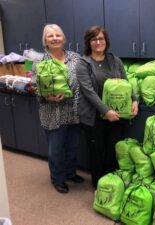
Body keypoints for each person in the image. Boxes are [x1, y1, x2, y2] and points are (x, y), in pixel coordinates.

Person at [76, 25, 139, 188]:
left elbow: (126, 82)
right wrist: (106, 111)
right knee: (97, 153)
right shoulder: (83, 64)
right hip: (94, 117)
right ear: (89, 42)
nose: (98, 42)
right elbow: (89, 92)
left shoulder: (114, 60)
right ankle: (99, 186)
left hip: (116, 116)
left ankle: (112, 186)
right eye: (94, 39)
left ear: (106, 41)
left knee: (113, 151)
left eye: (101, 38)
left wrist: (134, 100)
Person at [34, 24, 84, 194]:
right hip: (53, 113)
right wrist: (46, 95)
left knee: (72, 146)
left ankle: (70, 173)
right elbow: (35, 86)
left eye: (58, 35)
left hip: (74, 112)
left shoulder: (75, 57)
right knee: (56, 149)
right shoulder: (39, 61)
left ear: (63, 38)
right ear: (45, 41)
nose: (55, 38)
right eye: (50, 36)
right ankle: (58, 179)